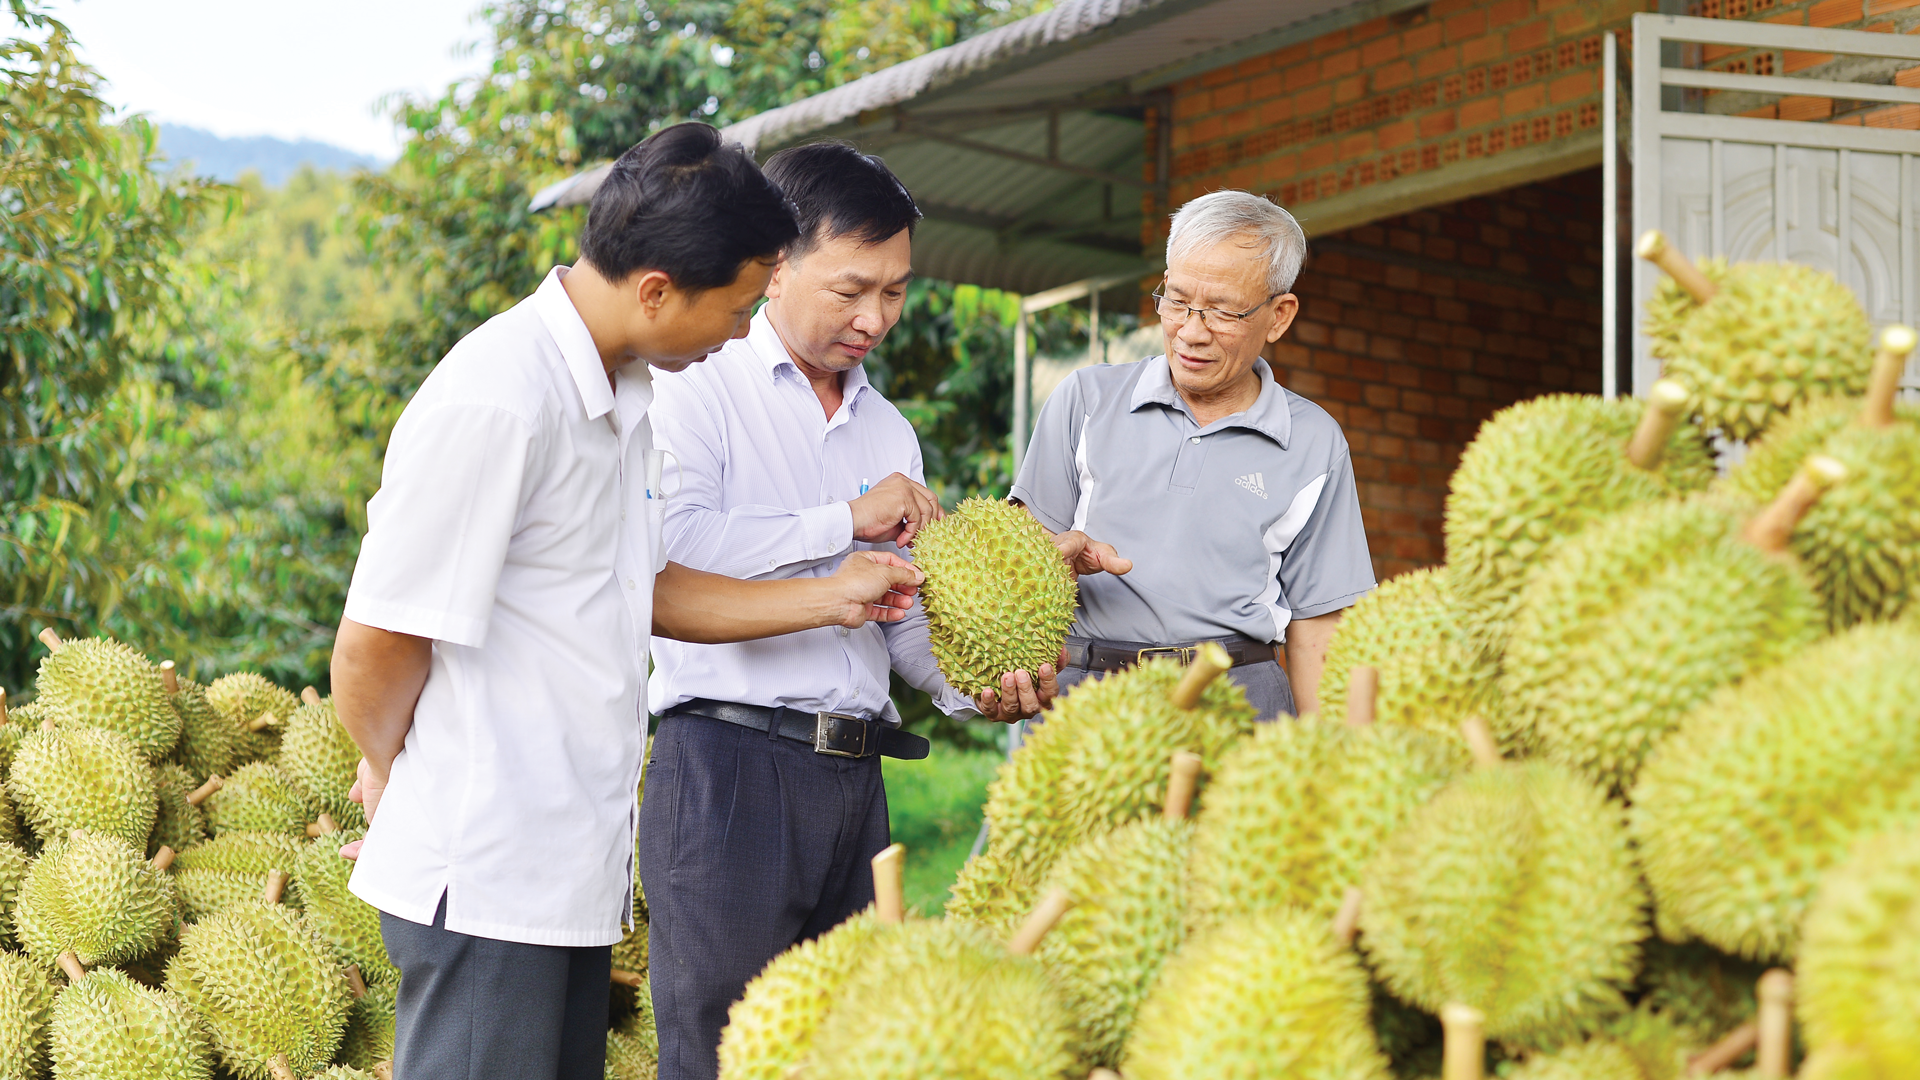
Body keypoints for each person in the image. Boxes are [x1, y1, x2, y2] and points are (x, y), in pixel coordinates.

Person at [327, 123, 929, 1080]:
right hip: (486, 863)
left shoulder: (623, 396)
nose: (743, 332)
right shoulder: (500, 397)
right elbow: (376, 644)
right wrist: (392, 769)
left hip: (569, 869)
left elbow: (650, 591)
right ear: (658, 290)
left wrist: (836, 597)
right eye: (736, 308)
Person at [639, 142, 1128, 1080]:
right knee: (720, 1053)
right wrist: (843, 520)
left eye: (895, 293)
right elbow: (671, 559)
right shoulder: (696, 390)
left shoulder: (887, 426)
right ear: (776, 263)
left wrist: (974, 690)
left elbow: (901, 614)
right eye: (852, 289)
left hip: (854, 782)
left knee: (856, 1050)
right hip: (728, 772)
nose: (875, 319)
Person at [1011, 189, 1375, 720]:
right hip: (1088, 698)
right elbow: (1017, 555)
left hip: (1239, 704)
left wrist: (1329, 765)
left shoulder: (1315, 441)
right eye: (1177, 301)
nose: (1191, 331)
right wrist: (1052, 559)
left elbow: (1317, 627)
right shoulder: (1086, 399)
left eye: (1223, 312)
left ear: (1278, 316)